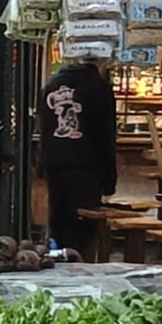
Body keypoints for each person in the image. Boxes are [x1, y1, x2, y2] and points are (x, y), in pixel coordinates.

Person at [39, 54, 117, 255]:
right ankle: (79, 263)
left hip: (54, 163)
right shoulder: (98, 87)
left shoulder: (51, 85)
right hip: (86, 166)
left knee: (58, 220)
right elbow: (105, 135)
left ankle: (57, 259)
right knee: (83, 225)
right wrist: (110, 181)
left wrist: (41, 164)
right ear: (101, 62)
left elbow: (44, 129)